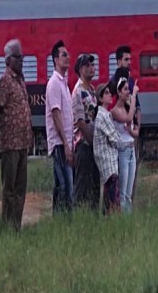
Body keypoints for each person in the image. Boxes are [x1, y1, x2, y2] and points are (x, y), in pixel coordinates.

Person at [0, 39, 33, 231]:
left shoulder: (20, 80)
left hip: (23, 142)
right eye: (18, 57)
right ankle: (8, 225)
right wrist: (1, 133)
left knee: (20, 188)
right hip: (10, 143)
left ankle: (16, 225)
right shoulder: (5, 81)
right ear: (8, 59)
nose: (21, 60)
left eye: (22, 57)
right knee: (9, 188)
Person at [45, 40, 74, 214]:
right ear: (56, 59)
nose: (67, 57)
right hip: (59, 144)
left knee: (60, 185)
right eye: (64, 55)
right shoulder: (55, 83)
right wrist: (66, 143)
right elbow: (56, 115)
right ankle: (65, 220)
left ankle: (59, 219)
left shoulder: (64, 83)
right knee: (66, 186)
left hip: (65, 142)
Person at [71, 53, 100, 210]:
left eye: (92, 65)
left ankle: (93, 214)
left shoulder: (92, 90)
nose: (91, 68)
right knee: (82, 183)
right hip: (83, 143)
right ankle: (78, 214)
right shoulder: (77, 92)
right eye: (87, 66)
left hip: (93, 143)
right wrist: (91, 140)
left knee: (94, 182)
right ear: (80, 69)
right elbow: (80, 122)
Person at [111, 76, 139, 213]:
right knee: (122, 192)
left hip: (131, 149)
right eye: (126, 89)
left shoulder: (128, 108)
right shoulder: (115, 111)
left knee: (129, 192)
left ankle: (128, 218)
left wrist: (132, 132)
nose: (128, 92)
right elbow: (128, 119)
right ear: (119, 92)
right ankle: (122, 217)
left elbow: (135, 130)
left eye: (129, 89)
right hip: (122, 152)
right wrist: (134, 97)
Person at [93, 83, 120, 215]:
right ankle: (110, 219)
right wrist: (124, 144)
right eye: (107, 93)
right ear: (100, 98)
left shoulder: (104, 115)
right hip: (108, 162)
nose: (111, 95)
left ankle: (107, 219)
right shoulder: (103, 116)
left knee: (109, 195)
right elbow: (114, 138)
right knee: (112, 197)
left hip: (108, 162)